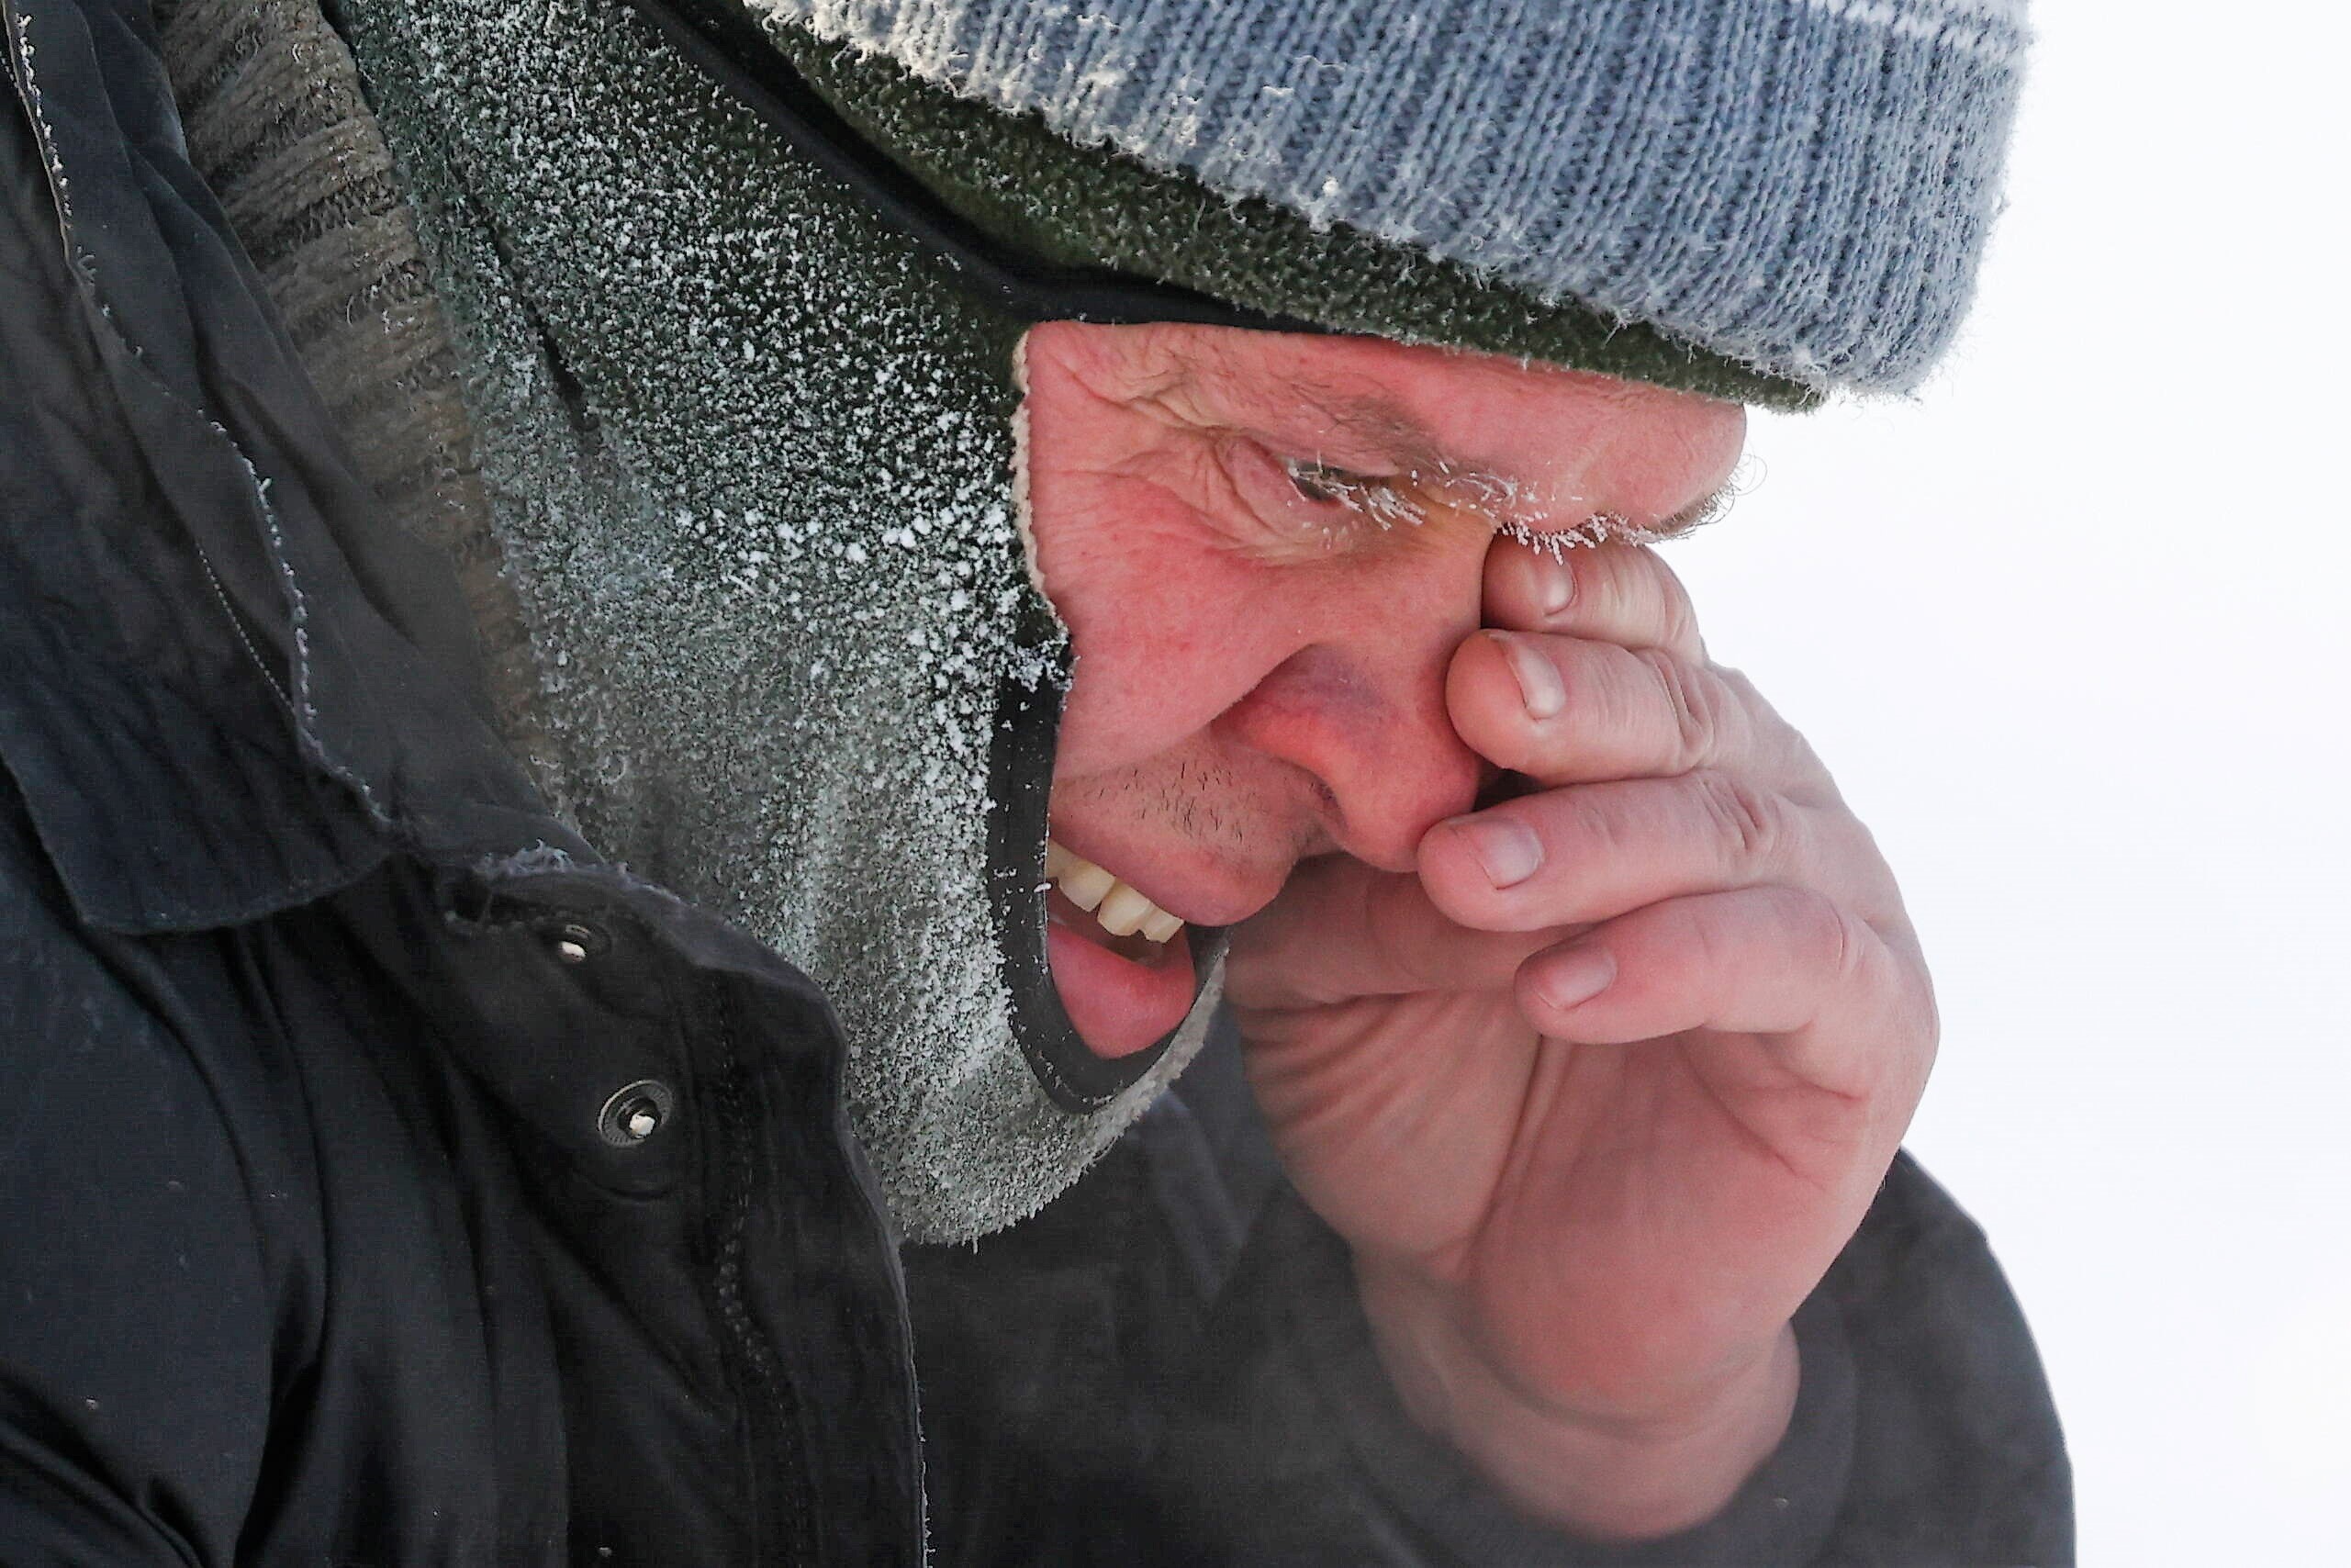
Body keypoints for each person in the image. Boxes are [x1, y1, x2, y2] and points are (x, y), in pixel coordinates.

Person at [0, 0, 2069, 1562]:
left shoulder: (953, 973)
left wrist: (1562, 1446)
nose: (1429, 787)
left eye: (1598, 561)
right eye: (1318, 476)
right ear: (650, 224)